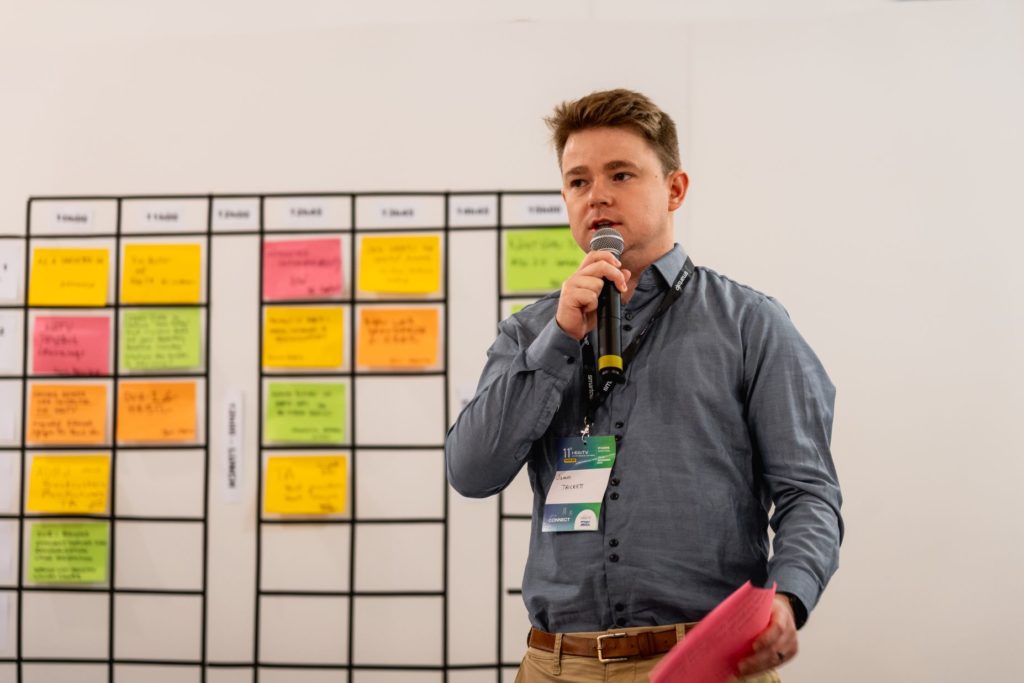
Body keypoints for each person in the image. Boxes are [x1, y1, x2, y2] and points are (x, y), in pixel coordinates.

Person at [445, 88, 843, 683]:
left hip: (703, 661)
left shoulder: (750, 324)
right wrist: (559, 340)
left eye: (621, 174)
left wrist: (787, 599)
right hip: (557, 664)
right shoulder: (530, 332)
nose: (597, 195)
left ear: (675, 189)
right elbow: (471, 472)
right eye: (578, 181)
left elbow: (808, 492)